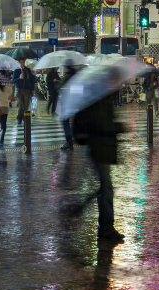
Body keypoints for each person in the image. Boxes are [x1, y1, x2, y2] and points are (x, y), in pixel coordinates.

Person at [72, 68, 126, 243]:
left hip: (101, 148)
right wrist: (120, 127)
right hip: (99, 148)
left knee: (104, 188)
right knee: (106, 190)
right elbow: (101, 125)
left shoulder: (102, 97)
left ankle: (94, 219)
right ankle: (105, 228)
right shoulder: (100, 99)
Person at [60, 61, 78, 150]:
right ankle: (71, 141)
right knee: (72, 122)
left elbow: (59, 87)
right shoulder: (76, 76)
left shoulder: (67, 77)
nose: (63, 68)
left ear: (67, 67)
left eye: (64, 66)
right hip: (75, 102)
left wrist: (57, 83)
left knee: (65, 122)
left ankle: (69, 142)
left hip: (67, 102)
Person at [12, 58, 36, 125]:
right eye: (21, 62)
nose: (22, 63)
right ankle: (19, 118)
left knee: (26, 105)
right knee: (20, 104)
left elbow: (32, 80)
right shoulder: (16, 70)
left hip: (27, 90)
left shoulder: (27, 70)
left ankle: (24, 117)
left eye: (23, 62)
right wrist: (19, 78)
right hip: (19, 89)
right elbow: (13, 80)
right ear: (19, 63)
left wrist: (32, 89)